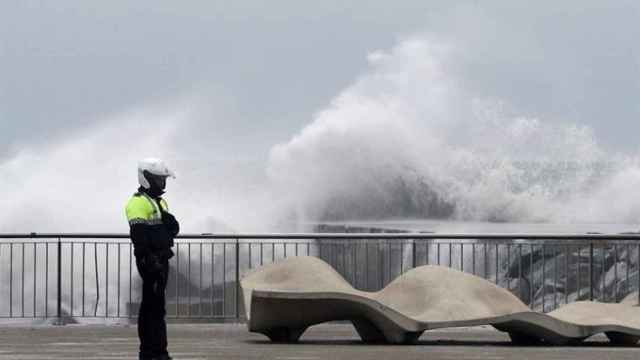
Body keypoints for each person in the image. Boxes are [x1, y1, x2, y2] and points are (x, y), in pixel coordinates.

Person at [125, 158, 180, 360]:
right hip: (150, 262)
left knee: (157, 308)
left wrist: (172, 225)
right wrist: (148, 260)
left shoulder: (159, 202)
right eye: (158, 180)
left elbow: (170, 230)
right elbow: (139, 237)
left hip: (162, 259)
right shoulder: (137, 202)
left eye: (163, 180)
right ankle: (150, 353)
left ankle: (158, 352)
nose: (162, 184)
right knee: (151, 309)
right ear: (146, 178)